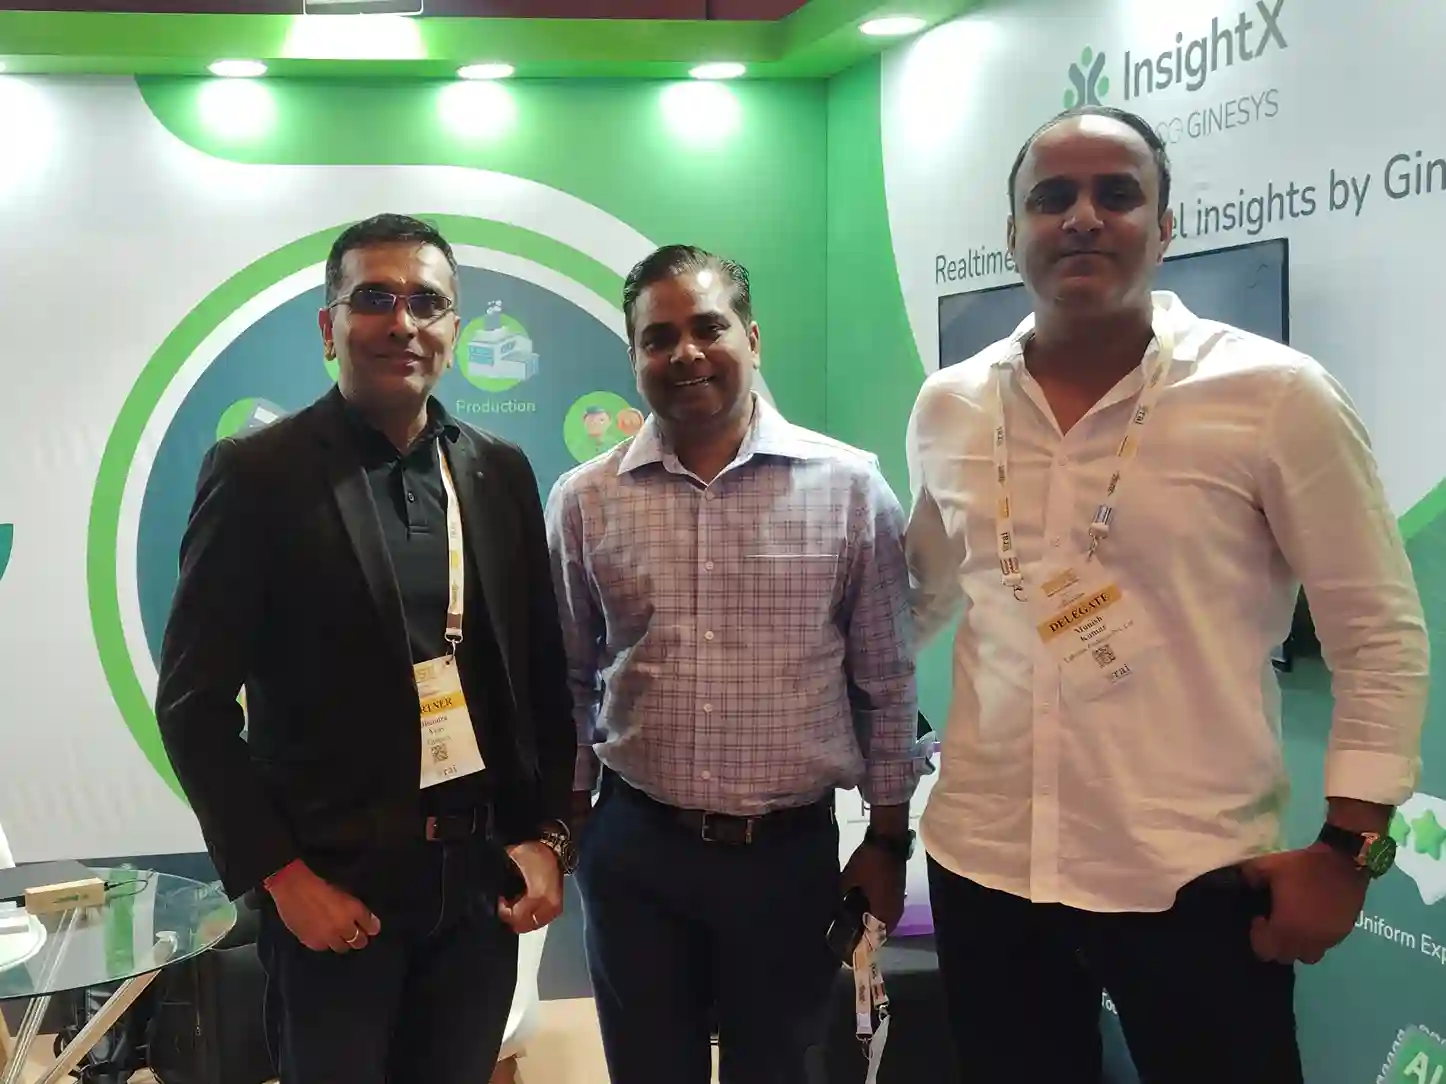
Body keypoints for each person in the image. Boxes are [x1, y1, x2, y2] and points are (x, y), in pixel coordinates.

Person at [905, 106, 1429, 1083]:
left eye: (1117, 194)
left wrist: (1350, 848)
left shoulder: (1278, 396)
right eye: (1052, 198)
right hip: (985, 860)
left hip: (1192, 874)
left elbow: (1377, 633)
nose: (1083, 217)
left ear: (1165, 227)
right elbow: (924, 595)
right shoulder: (950, 405)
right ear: (1013, 232)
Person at [155, 213, 579, 1084]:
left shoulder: (498, 470)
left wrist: (549, 838)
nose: (403, 322)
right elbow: (193, 707)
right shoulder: (259, 473)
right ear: (330, 325)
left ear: (454, 329)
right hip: (336, 896)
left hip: (477, 890)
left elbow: (541, 680)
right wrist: (282, 879)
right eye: (375, 298)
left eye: (427, 302)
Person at [546, 244, 922, 1084]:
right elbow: (569, 675)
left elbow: (887, 682)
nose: (685, 353)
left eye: (708, 328)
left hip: (785, 859)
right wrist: (568, 826)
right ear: (635, 356)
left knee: (780, 1071)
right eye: (658, 337)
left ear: (752, 338)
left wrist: (889, 842)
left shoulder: (850, 488)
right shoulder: (584, 500)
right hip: (635, 851)